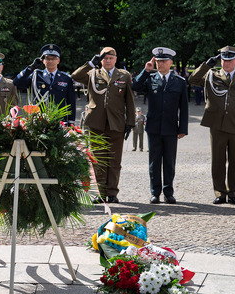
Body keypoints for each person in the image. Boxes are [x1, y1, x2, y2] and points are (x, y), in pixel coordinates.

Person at [189, 46, 235, 205]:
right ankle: (220, 193)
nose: (226, 63)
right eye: (224, 59)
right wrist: (206, 65)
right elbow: (192, 80)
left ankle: (233, 193)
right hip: (217, 124)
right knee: (217, 161)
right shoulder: (212, 75)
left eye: (230, 60)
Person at [72, 47, 135, 204]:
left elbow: (130, 101)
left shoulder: (124, 75)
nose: (108, 61)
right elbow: (75, 75)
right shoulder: (93, 73)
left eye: (110, 58)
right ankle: (100, 193)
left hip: (116, 123)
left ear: (115, 59)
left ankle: (112, 193)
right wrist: (90, 64)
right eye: (105, 58)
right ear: (100, 60)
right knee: (98, 160)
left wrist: (130, 122)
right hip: (96, 123)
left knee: (114, 161)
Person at [131, 47, 189, 204]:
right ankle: (155, 192)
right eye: (157, 61)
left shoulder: (180, 82)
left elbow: (184, 107)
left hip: (171, 128)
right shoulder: (150, 79)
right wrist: (145, 70)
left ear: (171, 63)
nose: (160, 64)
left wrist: (183, 128)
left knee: (169, 162)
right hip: (154, 127)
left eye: (163, 61)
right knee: (154, 161)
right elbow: (135, 86)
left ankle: (168, 192)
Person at [14, 44, 78, 122]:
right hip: (38, 120)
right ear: (43, 61)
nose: (50, 61)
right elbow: (17, 82)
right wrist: (31, 67)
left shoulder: (66, 78)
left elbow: (71, 102)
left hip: (59, 121)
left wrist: (71, 122)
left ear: (58, 60)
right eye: (47, 58)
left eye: (53, 58)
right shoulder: (36, 75)